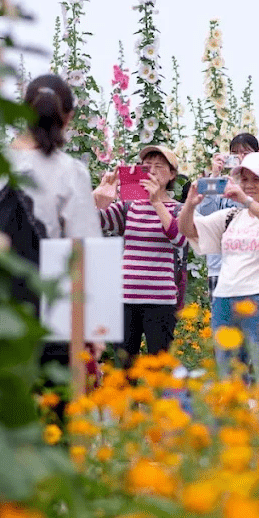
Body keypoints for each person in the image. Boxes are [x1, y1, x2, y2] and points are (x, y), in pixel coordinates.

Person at [0, 74, 101, 393]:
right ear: (69, 117)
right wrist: (94, 330)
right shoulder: (70, 172)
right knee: (52, 411)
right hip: (51, 319)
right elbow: (84, 252)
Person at [178, 152, 259, 379]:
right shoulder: (230, 216)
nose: (249, 185)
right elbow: (187, 230)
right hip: (225, 299)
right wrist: (190, 205)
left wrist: (247, 201)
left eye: (257, 179)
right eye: (244, 179)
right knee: (229, 377)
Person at [93, 145, 187, 362]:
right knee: (124, 366)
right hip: (125, 298)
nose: (151, 171)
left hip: (161, 300)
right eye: (146, 166)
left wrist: (156, 202)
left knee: (159, 367)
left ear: (172, 174)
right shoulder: (129, 207)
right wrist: (99, 195)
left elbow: (179, 239)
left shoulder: (178, 209)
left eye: (159, 166)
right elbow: (91, 219)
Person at [199, 133, 259, 294]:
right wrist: (214, 176)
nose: (240, 157)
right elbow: (205, 212)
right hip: (219, 268)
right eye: (235, 153)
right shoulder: (221, 183)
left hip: (250, 268)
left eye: (246, 153)